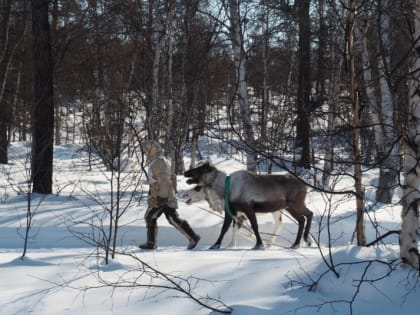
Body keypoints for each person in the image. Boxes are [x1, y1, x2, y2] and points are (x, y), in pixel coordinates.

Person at [139, 140, 200, 250]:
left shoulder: (158, 162)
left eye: (146, 151)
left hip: (162, 196)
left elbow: (165, 180)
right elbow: (172, 177)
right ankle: (193, 237)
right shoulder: (161, 160)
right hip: (166, 194)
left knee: (150, 217)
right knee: (172, 218)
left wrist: (162, 197)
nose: (145, 153)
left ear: (151, 150)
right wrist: (172, 192)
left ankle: (151, 243)